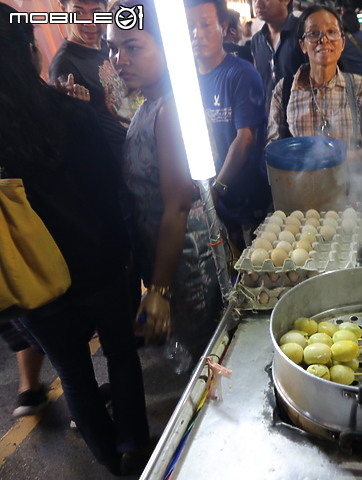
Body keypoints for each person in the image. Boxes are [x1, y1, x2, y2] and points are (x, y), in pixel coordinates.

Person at [0, 3, 150, 474]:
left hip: (34, 284)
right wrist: (129, 252)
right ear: (31, 53)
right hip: (99, 265)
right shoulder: (69, 111)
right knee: (122, 355)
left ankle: (109, 460)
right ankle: (134, 447)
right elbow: (112, 189)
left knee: (76, 380)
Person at [108, 0, 222, 356]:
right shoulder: (149, 104)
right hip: (167, 260)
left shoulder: (171, 110)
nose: (119, 59)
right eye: (113, 48)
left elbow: (177, 205)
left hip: (186, 265)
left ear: (165, 47)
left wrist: (158, 291)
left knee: (206, 361)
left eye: (133, 47)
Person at [266, 5, 362, 203]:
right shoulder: (284, 89)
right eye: (314, 33)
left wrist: (353, 156)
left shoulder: (357, 87)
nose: (323, 40)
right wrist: (298, 162)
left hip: (350, 196)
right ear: (303, 45)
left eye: (331, 32)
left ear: (342, 43)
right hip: (300, 198)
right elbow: (272, 147)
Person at [186, 0, 272, 252]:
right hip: (207, 201)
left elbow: (245, 139)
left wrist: (217, 189)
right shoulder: (184, 78)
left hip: (243, 199)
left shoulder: (241, 74)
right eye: (190, 26)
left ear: (223, 28)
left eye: (204, 24)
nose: (196, 33)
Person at [49, 0, 133, 162]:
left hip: (140, 146)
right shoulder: (64, 65)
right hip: (116, 161)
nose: (90, 21)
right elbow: (72, 136)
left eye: (96, 12)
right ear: (63, 10)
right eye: (79, 12)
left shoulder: (110, 46)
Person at [251, 0, 306, 111]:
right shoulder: (257, 40)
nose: (257, 4)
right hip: (270, 120)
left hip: (301, 117)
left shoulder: (303, 31)